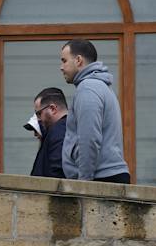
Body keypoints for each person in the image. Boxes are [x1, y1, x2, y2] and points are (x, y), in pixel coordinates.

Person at [59, 39, 130, 184]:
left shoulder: (88, 88)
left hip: (101, 178)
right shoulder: (99, 86)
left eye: (64, 60)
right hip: (106, 176)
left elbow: (89, 138)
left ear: (78, 60)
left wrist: (84, 183)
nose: (61, 67)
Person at [28, 87, 68, 178]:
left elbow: (56, 173)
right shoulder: (61, 129)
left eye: (38, 114)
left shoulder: (58, 132)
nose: (38, 119)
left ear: (52, 109)